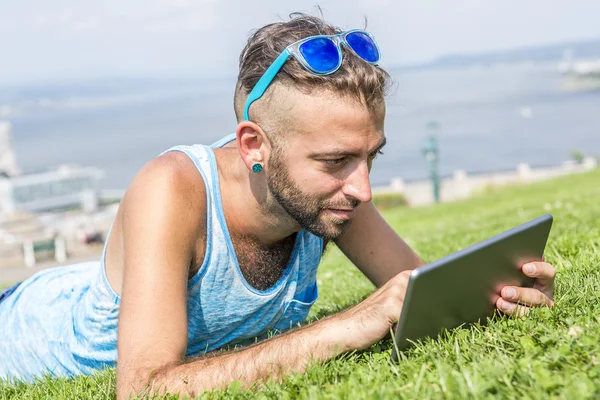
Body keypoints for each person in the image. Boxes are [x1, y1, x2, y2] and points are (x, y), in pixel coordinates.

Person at [0, 13, 556, 398]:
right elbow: (144, 389)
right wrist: (354, 323)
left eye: (370, 156)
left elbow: (423, 293)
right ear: (254, 145)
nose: (362, 188)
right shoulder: (172, 188)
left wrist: (497, 292)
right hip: (20, 328)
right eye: (336, 160)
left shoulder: (331, 195)